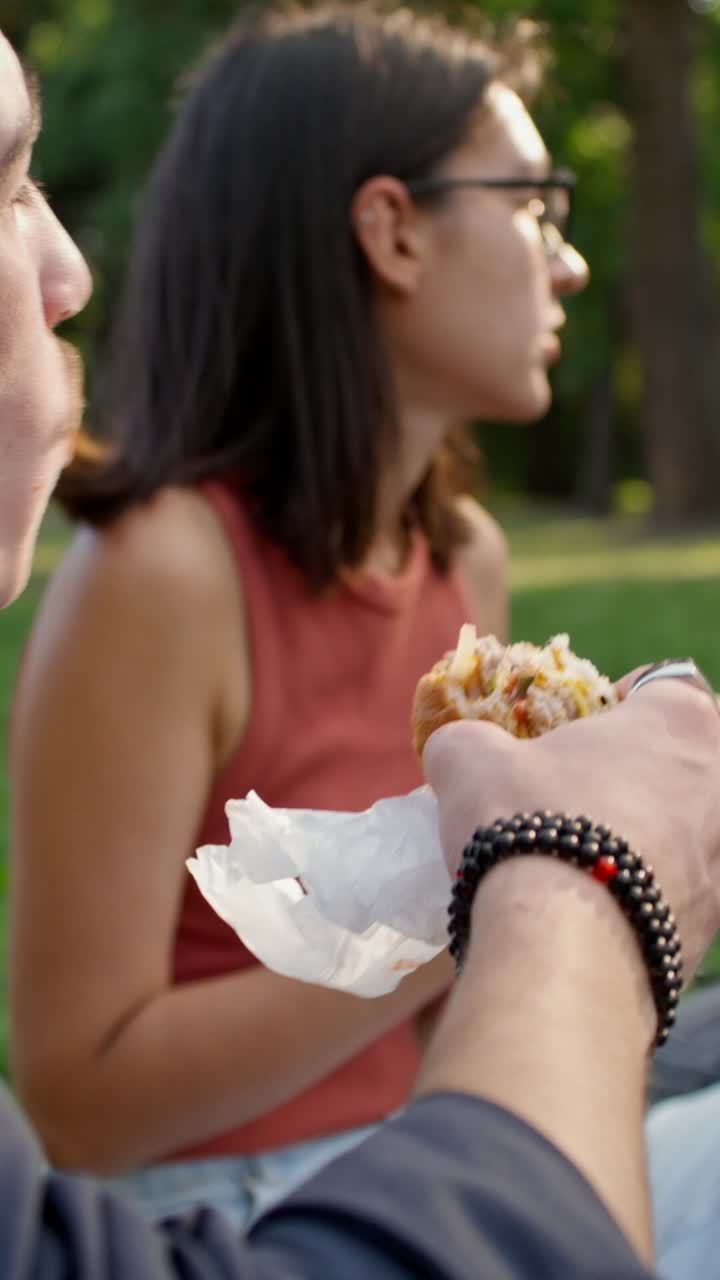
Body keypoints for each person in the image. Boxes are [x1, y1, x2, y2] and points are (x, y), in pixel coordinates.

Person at [0, 27, 719, 1276]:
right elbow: (80, 1100)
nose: (576, 263)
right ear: (390, 232)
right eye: (534, 209)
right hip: (221, 1205)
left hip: (426, 1134)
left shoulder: (466, 558)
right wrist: (518, 881)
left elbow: (456, 1025)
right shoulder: (166, 574)